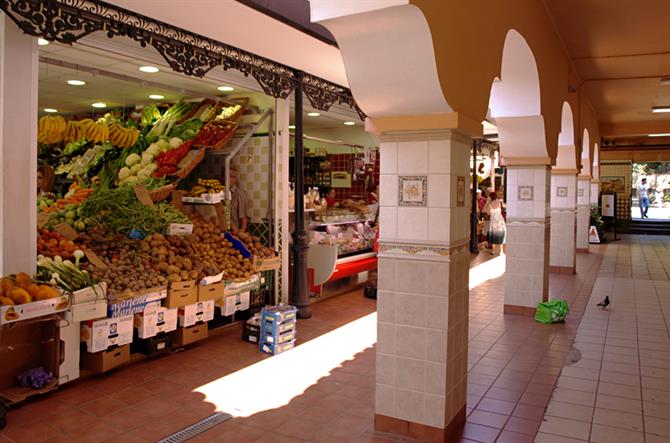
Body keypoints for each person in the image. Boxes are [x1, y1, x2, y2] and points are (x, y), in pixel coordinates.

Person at [484, 191, 506, 255]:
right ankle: (501, 251)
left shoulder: (490, 204)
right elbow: (501, 210)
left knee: (493, 236)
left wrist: (487, 203)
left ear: (490, 197)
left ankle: (493, 250)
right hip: (500, 220)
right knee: (500, 235)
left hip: (493, 221)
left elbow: (486, 212)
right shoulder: (499, 202)